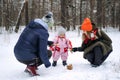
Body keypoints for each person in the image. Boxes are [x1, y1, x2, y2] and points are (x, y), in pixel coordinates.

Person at [14, 12, 54, 76]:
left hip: (17, 52)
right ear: (48, 24)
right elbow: (42, 51)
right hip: (26, 56)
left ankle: (30, 66)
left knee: (35, 51)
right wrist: (47, 63)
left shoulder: (32, 24)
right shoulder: (43, 32)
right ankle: (31, 66)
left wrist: (48, 43)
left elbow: (34, 40)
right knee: (48, 53)